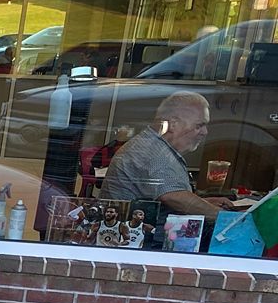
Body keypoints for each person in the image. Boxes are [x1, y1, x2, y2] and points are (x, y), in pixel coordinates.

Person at [99, 91, 236, 220]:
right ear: (173, 124)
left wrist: (206, 204)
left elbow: (167, 200)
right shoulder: (153, 152)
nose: (205, 132)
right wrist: (227, 217)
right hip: (140, 239)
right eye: (199, 126)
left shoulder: (154, 144)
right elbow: (174, 198)